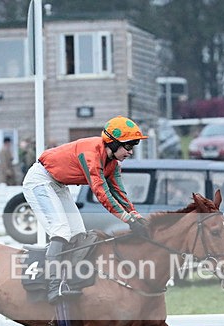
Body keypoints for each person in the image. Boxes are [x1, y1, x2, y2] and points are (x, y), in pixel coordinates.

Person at [22, 115, 149, 303]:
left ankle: (70, 282)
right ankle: (53, 286)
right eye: (129, 146)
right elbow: (101, 192)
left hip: (58, 184)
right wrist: (127, 219)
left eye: (133, 147)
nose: (131, 152)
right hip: (39, 181)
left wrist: (136, 216)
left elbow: (119, 193)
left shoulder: (113, 164)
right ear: (113, 143)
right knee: (61, 230)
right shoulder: (91, 153)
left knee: (78, 235)